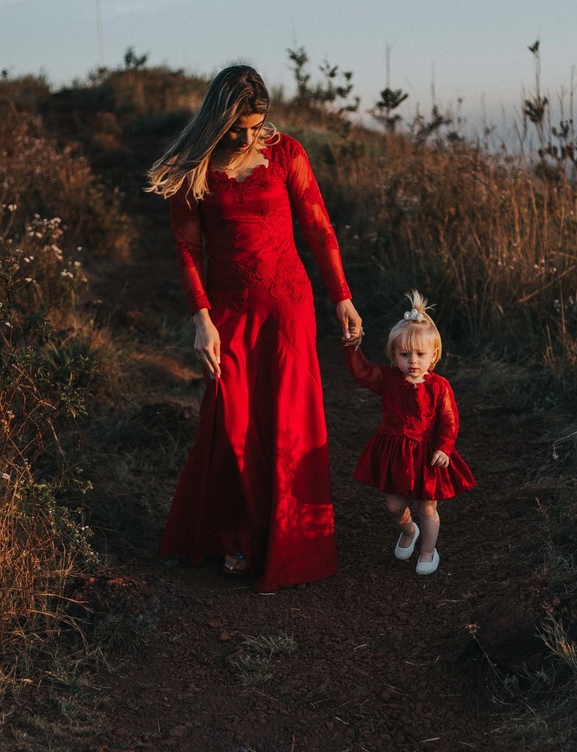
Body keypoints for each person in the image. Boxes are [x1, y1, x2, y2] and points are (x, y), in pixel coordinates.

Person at [146, 65, 362, 592]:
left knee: (289, 421)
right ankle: (238, 532)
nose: (247, 137)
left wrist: (342, 298)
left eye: (256, 126)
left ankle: (286, 541)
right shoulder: (192, 167)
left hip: (289, 307)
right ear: (217, 118)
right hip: (229, 312)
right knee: (233, 421)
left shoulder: (286, 152)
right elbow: (187, 250)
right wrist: (201, 319)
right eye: (237, 128)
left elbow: (317, 225)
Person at [344, 291, 475, 575]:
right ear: (394, 355)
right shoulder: (389, 378)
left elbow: (449, 420)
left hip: (425, 455)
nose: (412, 361)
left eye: (420, 354)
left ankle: (428, 550)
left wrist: (444, 448)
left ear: (434, 355)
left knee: (426, 506)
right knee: (393, 505)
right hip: (393, 452)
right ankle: (408, 530)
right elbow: (362, 374)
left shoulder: (439, 386)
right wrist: (353, 347)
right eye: (405, 355)